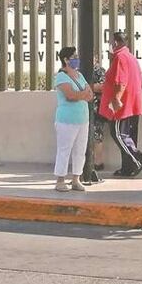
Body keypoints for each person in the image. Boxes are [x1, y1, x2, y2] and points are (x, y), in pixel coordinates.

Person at [100, 31, 142, 177]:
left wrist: (116, 99)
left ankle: (138, 159)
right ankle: (127, 167)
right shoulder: (131, 57)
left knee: (118, 134)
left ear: (115, 43)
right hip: (133, 104)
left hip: (122, 105)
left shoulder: (120, 57)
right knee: (128, 136)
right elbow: (141, 81)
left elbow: (121, 82)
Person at [53, 46, 94, 192]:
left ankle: (76, 178)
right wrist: (82, 94)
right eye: (73, 57)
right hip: (66, 120)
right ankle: (60, 180)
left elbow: (90, 94)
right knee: (64, 149)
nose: (77, 59)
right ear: (65, 60)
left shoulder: (79, 75)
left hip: (82, 119)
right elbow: (70, 96)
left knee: (80, 150)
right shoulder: (61, 76)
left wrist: (81, 94)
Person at [89, 53, 108, 171]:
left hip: (96, 109)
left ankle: (98, 163)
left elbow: (103, 86)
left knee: (97, 135)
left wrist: (87, 87)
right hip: (85, 108)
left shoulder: (100, 71)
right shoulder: (80, 71)